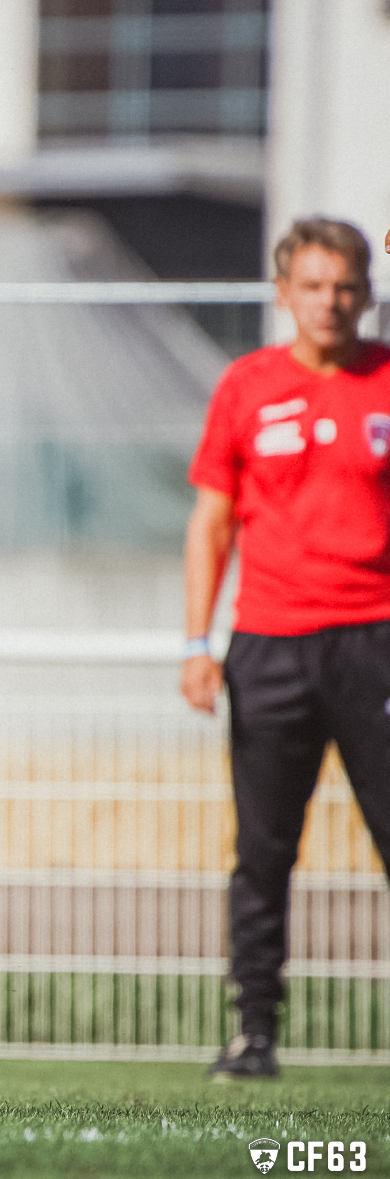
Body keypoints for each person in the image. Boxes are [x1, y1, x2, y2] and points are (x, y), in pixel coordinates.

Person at [183, 217, 390, 1081]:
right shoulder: (246, 385)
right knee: (264, 853)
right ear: (283, 294)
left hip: (376, 641)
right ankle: (254, 1035)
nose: (330, 302)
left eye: (345, 286)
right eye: (312, 285)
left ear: (366, 293)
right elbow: (213, 522)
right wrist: (198, 640)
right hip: (267, 645)